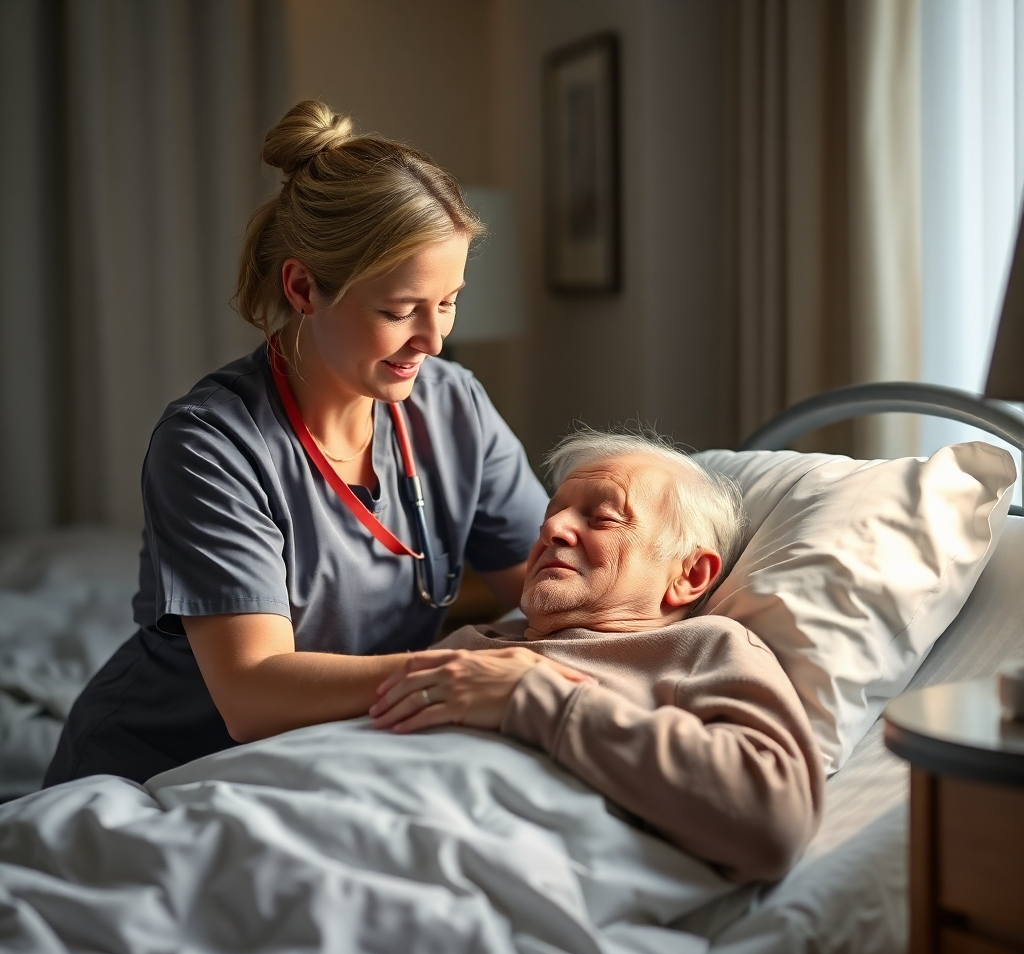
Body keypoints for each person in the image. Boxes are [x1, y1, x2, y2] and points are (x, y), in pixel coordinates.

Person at [45, 100, 548, 787]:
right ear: (303, 286)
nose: (433, 340)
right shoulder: (211, 445)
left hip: (331, 763)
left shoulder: (455, 407)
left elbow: (554, 596)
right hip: (163, 775)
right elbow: (254, 695)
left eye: (450, 301)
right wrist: (456, 668)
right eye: (400, 311)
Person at [370, 430, 825, 882]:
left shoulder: (706, 649)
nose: (551, 529)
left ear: (690, 575)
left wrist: (533, 697)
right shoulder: (472, 642)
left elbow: (772, 824)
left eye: (603, 519)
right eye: (551, 515)